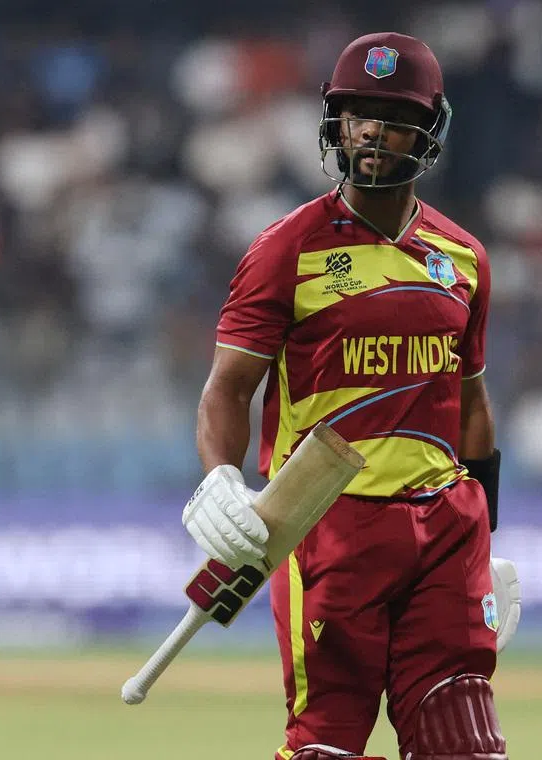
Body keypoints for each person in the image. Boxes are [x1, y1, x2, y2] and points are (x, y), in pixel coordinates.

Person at [182, 32, 520, 760]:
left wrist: (488, 541)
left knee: (462, 735)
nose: (371, 130)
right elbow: (227, 388)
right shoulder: (285, 249)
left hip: (447, 527)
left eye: (393, 115)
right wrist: (221, 479)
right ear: (335, 123)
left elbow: (471, 407)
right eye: (356, 113)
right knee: (327, 743)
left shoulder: (463, 257)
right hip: (328, 526)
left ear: (430, 130)